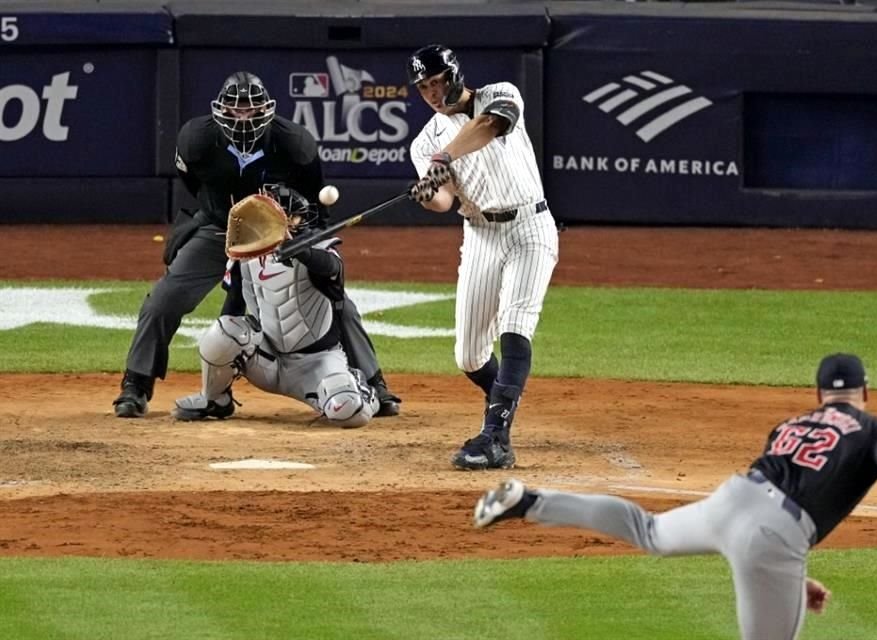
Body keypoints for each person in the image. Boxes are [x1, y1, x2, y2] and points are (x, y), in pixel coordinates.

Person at [473, 353, 877, 640]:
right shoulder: (873, 425)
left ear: (819, 394)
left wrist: (787, 581)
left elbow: (774, 499)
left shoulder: (793, 424)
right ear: (867, 391)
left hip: (734, 498)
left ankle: (531, 502)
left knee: (649, 530)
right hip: (774, 535)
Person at [112, 71, 400, 419]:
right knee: (164, 300)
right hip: (219, 228)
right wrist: (226, 218)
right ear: (221, 111)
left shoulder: (295, 144)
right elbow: (195, 186)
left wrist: (311, 251)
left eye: (251, 110)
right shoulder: (195, 140)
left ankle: (374, 383)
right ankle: (137, 384)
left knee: (339, 303)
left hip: (280, 232)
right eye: (235, 111)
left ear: (267, 109)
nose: (243, 118)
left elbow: (314, 207)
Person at [405, 44, 559, 470]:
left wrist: (446, 157)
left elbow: (490, 126)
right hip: (480, 236)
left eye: (437, 82)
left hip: (530, 227)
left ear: (453, 74)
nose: (433, 94)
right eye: (423, 88)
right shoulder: (425, 143)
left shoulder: (498, 94)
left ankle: (496, 437)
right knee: (469, 356)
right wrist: (428, 194)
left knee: (514, 327)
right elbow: (444, 199)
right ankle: (503, 407)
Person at [171, 185, 379, 427]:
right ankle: (214, 399)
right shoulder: (246, 256)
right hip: (267, 361)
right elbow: (233, 307)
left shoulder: (320, 250)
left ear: (295, 221)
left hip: (316, 365)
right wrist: (226, 350)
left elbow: (332, 270)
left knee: (349, 412)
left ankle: (363, 391)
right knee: (224, 331)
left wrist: (301, 251)